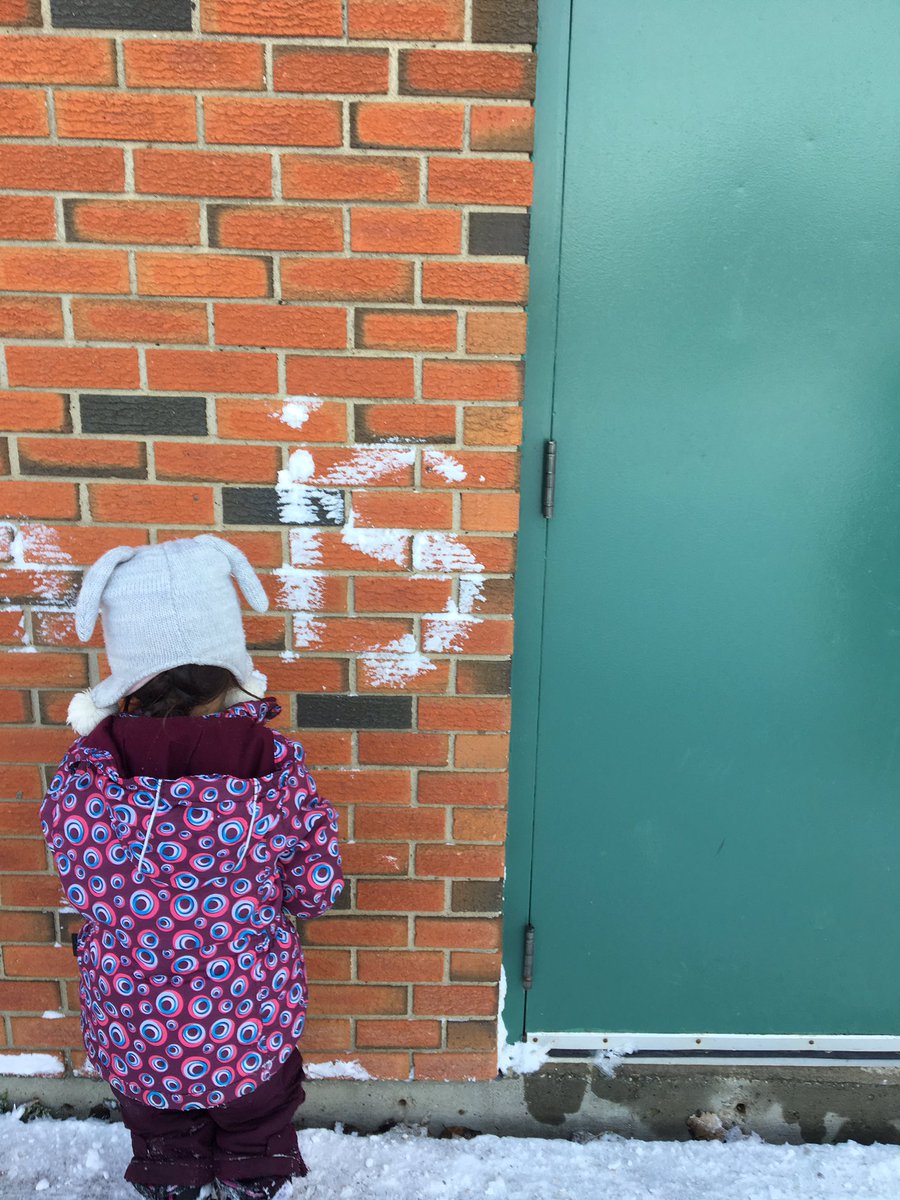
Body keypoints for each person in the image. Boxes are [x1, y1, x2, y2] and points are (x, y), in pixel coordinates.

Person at [39, 535, 344, 1200]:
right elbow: (315, 885)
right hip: (245, 1003)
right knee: (258, 1102)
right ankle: (254, 1169)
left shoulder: (87, 775)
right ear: (230, 663)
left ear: (127, 671)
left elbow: (78, 879)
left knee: (154, 1107)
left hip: (132, 1006)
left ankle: (168, 1169)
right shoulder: (273, 767)